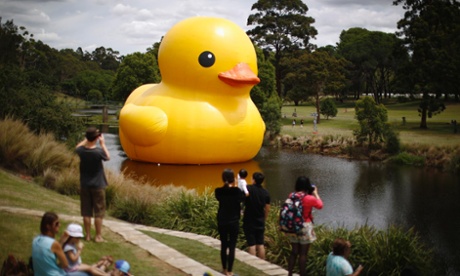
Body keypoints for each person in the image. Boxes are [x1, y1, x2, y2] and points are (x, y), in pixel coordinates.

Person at [76, 127, 110, 243]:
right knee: (99, 212)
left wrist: (86, 140)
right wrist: (103, 144)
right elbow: (108, 157)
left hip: (85, 184)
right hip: (98, 185)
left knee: (86, 212)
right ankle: (98, 236)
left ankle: (88, 236)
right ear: (96, 138)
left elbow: (77, 147)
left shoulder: (81, 151)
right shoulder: (98, 152)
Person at [286, 176, 323, 276]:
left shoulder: (292, 195)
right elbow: (320, 205)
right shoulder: (309, 198)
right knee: (303, 254)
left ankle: (289, 273)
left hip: (293, 225)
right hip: (305, 226)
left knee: (294, 251)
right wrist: (315, 193)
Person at [31, 212, 89, 276]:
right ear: (48, 226)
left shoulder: (36, 240)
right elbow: (65, 265)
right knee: (88, 274)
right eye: (56, 224)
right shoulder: (54, 244)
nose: (59, 225)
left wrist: (61, 241)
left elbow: (50, 252)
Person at [214, 168, 244, 276]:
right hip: (233, 221)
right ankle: (230, 271)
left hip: (222, 220)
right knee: (232, 246)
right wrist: (236, 184)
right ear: (233, 179)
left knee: (223, 245)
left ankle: (224, 269)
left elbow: (220, 198)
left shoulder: (218, 191)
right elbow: (242, 198)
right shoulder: (237, 192)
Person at [242, 172, 270, 259]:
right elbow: (267, 208)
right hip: (260, 220)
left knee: (252, 244)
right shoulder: (265, 192)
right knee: (260, 244)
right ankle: (262, 263)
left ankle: (253, 264)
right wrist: (264, 218)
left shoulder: (248, 189)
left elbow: (242, 198)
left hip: (249, 219)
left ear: (253, 180)